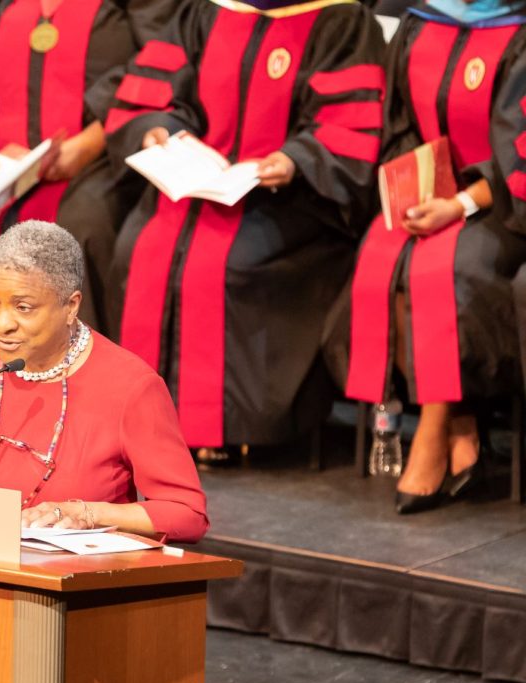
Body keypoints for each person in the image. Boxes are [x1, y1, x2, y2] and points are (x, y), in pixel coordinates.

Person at [101, 0, 386, 465]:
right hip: (197, 183)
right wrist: (159, 128)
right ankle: (143, 423)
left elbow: (350, 124)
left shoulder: (340, 19)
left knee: (236, 262)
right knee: (140, 246)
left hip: (290, 200)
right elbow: (159, 94)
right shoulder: (205, 10)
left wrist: (296, 158)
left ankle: (225, 427)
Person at [0, 0, 178, 413]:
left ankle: (82, 404)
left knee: (82, 225)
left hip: (94, 152)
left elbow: (158, 64)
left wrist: (90, 143)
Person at [0, 220, 209, 543]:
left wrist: (86, 514)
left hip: (73, 578)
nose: (1, 324)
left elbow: (187, 512)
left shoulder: (131, 387)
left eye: (23, 307)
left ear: (71, 306)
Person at [328, 0, 526, 513]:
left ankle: (434, 430)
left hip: (502, 210)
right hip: (434, 198)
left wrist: (460, 203)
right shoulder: (423, 21)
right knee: (383, 253)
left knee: (453, 267)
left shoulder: (518, 32)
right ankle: (463, 429)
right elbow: (398, 124)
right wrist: (414, 192)